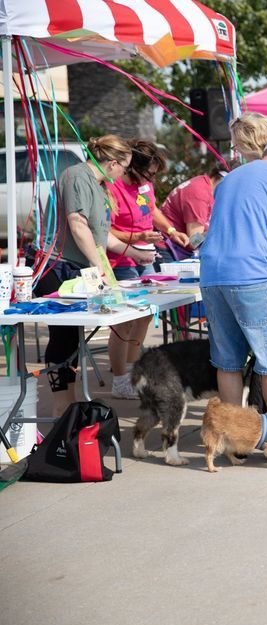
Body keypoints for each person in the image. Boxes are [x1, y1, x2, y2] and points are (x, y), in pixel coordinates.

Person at [30, 135, 156, 415]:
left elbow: (102, 235)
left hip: (76, 266)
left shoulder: (99, 185)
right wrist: (98, 265)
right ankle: (63, 405)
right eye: (124, 168)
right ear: (112, 163)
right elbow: (78, 225)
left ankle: (71, 402)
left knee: (73, 337)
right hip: (57, 265)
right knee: (63, 337)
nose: (124, 174)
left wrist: (134, 253)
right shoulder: (76, 176)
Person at [199, 139, 267, 411]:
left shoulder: (228, 178)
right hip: (253, 275)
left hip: (212, 275)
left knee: (228, 362)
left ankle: (235, 439)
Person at [106, 140, 191, 399]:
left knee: (144, 314)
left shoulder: (144, 183)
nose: (152, 178)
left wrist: (172, 230)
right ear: (132, 166)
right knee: (125, 321)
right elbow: (105, 231)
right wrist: (138, 234)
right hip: (118, 260)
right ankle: (120, 380)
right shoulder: (113, 186)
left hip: (144, 256)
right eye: (149, 173)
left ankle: (134, 373)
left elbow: (151, 208)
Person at [159, 160, 228, 259]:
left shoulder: (204, 183)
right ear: (224, 180)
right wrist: (219, 229)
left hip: (175, 246)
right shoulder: (200, 195)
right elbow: (194, 241)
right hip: (167, 247)